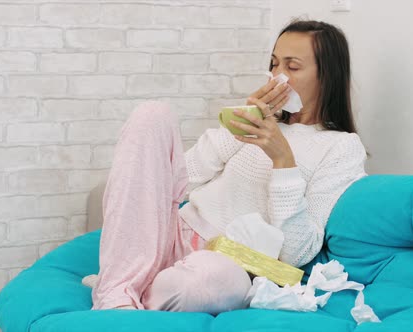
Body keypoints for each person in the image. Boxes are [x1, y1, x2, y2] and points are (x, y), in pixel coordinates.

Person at [90, 19, 368, 313]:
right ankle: (117, 295)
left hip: (226, 262)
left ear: (327, 76)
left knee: (208, 279)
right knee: (152, 114)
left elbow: (297, 251)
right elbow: (177, 184)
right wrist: (240, 127)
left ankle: (131, 282)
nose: (278, 77)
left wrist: (283, 161)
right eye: (274, 65)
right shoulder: (263, 123)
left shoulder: (341, 147)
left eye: (293, 67)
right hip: (170, 235)